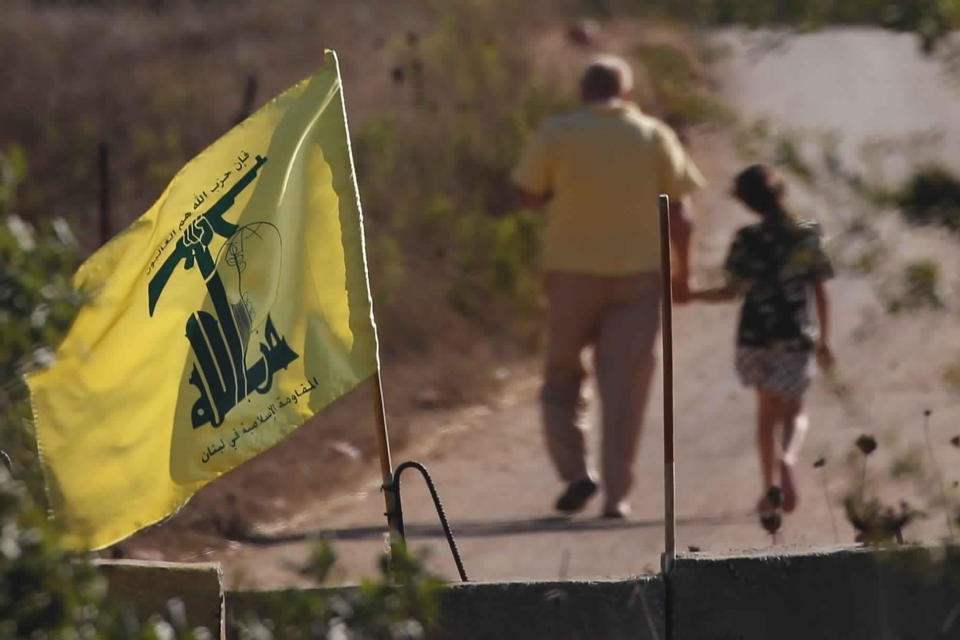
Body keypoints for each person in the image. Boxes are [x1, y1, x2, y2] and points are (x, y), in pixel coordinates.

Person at [511, 55, 705, 518]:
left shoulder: (557, 132)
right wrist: (684, 274)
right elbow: (682, 215)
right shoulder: (653, 135)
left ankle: (576, 474)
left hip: (571, 274)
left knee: (561, 377)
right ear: (627, 94)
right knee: (626, 388)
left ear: (583, 91)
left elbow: (526, 195)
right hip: (639, 277)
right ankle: (618, 496)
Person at [689, 164, 834, 521]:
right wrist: (825, 341)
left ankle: (769, 488)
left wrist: (692, 294)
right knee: (794, 413)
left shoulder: (746, 239)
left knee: (765, 414)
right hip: (795, 335)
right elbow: (820, 292)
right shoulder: (807, 234)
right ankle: (788, 459)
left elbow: (731, 291)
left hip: (754, 336)